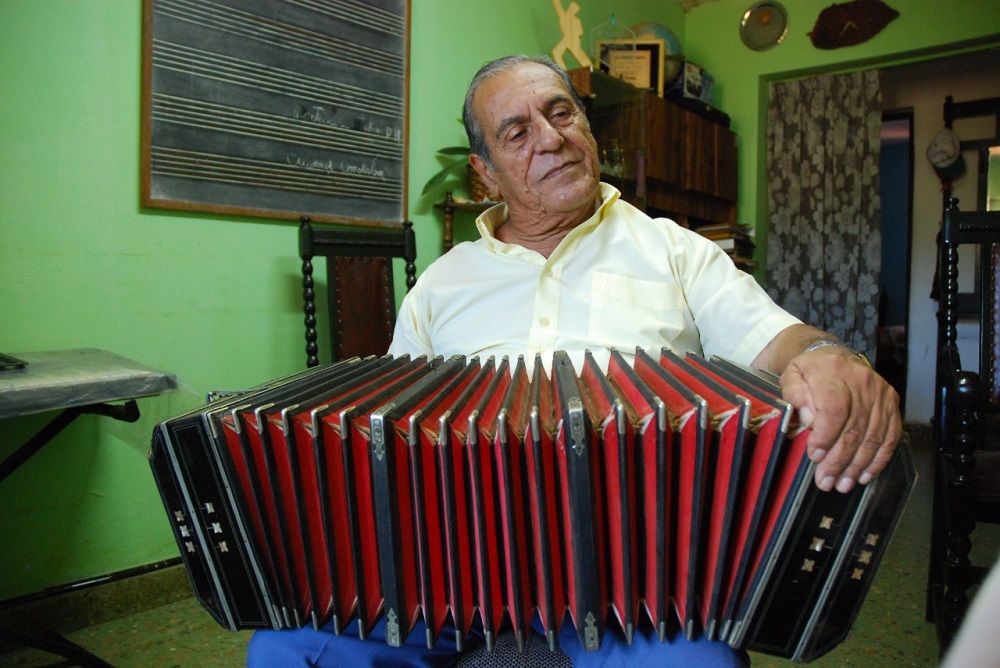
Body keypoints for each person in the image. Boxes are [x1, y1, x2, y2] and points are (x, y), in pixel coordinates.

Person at [248, 54, 902, 667]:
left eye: (561, 113)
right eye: (516, 131)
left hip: (633, 575)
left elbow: (777, 338)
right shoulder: (440, 286)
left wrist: (823, 355)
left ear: (586, 126)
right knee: (285, 652)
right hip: (450, 568)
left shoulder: (674, 250)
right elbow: (384, 437)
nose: (551, 138)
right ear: (486, 173)